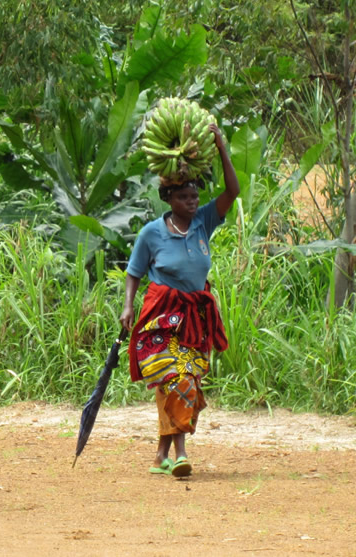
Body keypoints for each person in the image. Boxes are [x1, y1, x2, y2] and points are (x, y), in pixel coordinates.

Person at [119, 123, 238, 478]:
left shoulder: (204, 222)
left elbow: (233, 190)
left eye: (194, 196)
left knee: (185, 381)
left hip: (195, 318)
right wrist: (128, 306)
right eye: (184, 198)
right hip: (160, 315)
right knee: (176, 377)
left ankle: (160, 453)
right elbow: (134, 271)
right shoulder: (151, 233)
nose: (192, 202)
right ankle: (181, 453)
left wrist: (220, 146)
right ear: (169, 199)